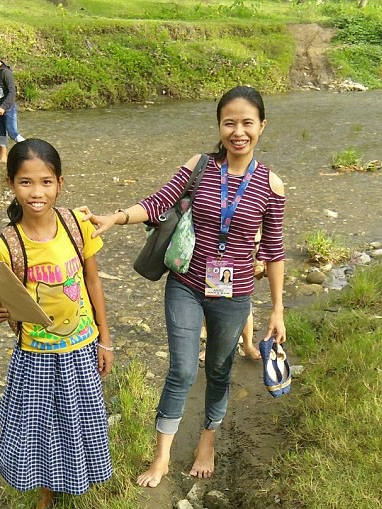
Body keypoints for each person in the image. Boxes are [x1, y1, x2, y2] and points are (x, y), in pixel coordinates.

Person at [82, 85, 286, 488]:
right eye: (229, 122)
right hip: (187, 284)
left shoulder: (272, 186)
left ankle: (206, 441)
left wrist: (277, 309)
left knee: (219, 370)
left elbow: (275, 251)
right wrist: (117, 217)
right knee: (180, 369)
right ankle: (161, 458)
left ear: (262, 126)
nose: (238, 131)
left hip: (235, 294)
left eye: (247, 123)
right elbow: (159, 203)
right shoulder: (199, 166)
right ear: (219, 125)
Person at [0, 138, 114, 509]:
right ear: (11, 184)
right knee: (39, 427)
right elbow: (11, 310)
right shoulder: (8, 244)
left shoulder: (76, 225)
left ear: (59, 183)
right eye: (25, 182)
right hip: (35, 355)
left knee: (81, 419)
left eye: (45, 182)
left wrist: (106, 340)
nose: (36, 192)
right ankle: (45, 494)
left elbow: (93, 282)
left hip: (82, 347)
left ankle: (79, 484)